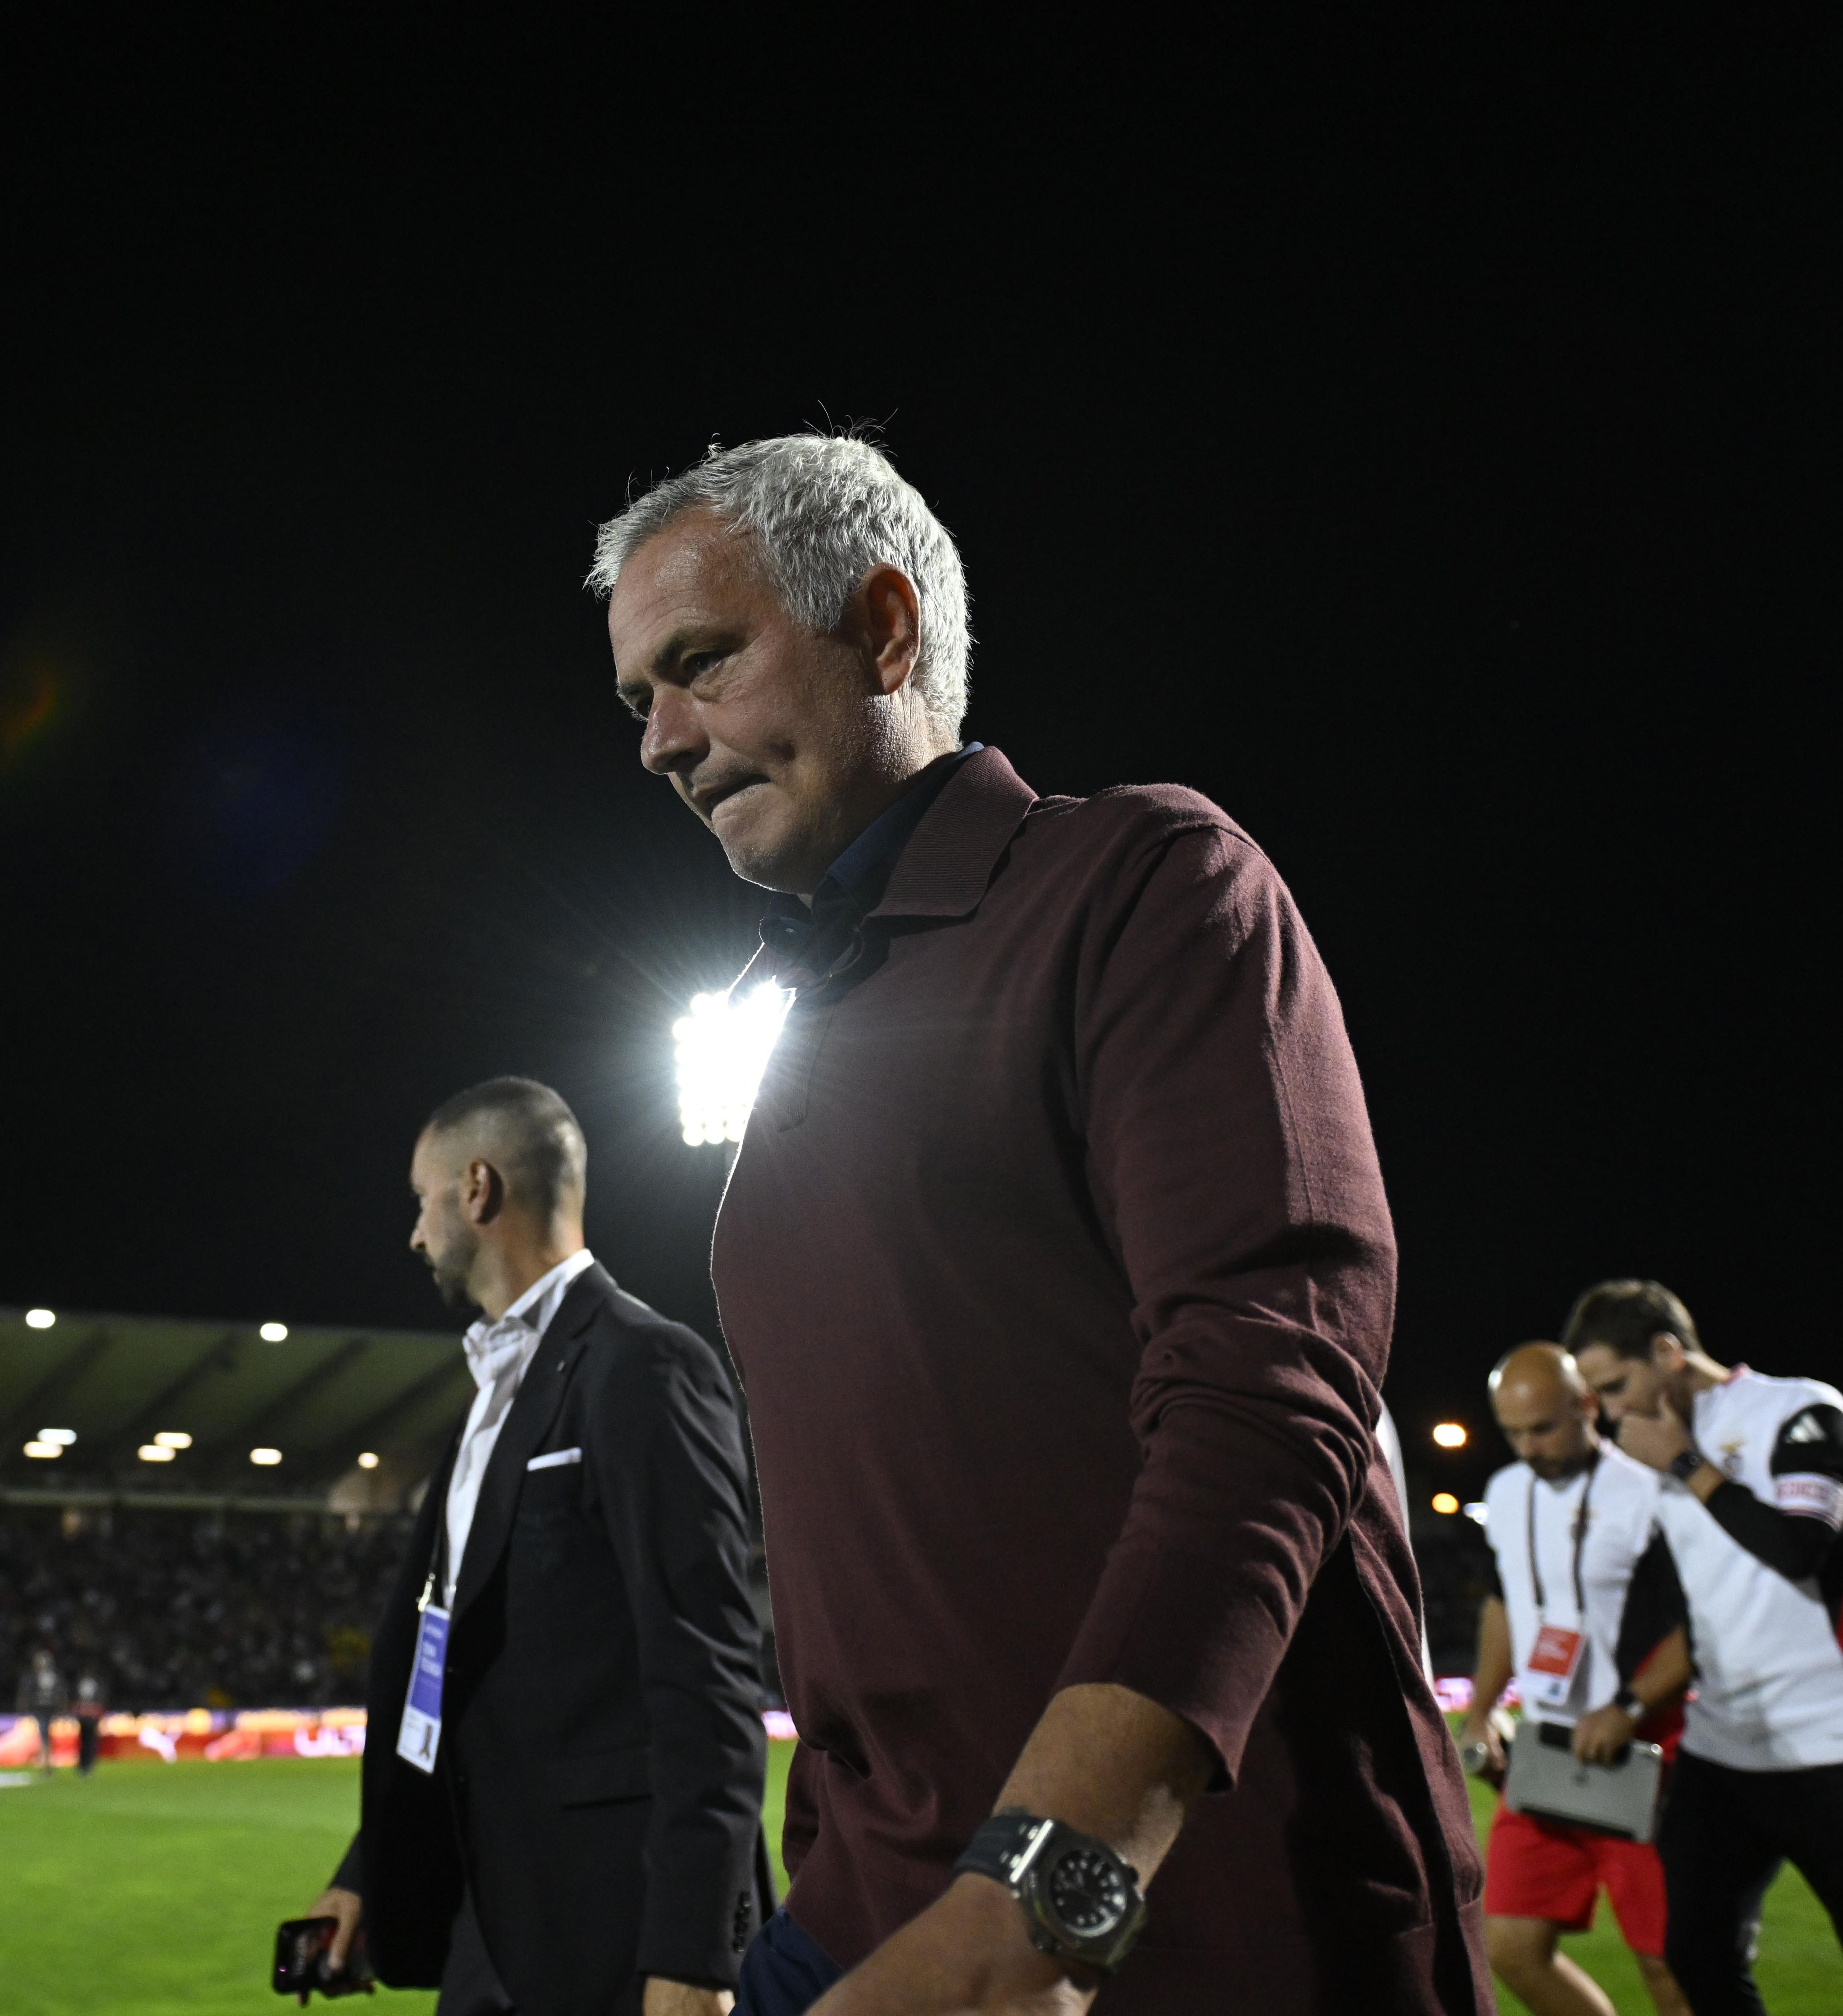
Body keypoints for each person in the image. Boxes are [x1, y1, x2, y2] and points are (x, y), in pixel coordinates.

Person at [589, 432, 1485, 2016]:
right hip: (850, 1922)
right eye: (634, 699)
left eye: (700, 661)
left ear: (883, 627)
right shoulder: (806, 1022)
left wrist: (1037, 1904)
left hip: (1174, 1934)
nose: (658, 739)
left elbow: (1265, 1392)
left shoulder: (1141, 881)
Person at [298, 1077, 771, 2016]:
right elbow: (455, 1670)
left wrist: (694, 1947)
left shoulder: (645, 1364)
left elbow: (707, 1671)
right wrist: (368, 1873)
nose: (415, 1234)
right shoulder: (491, 1397)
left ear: (476, 1188)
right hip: (491, 1921)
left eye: (421, 1199)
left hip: (618, 1930)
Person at [1563, 1280, 1843, 2016]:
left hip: (1836, 1735)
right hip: (1724, 1745)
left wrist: (1685, 1464)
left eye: (1615, 1386)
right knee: (1694, 1959)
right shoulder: (1648, 1452)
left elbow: (1800, 1550)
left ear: (1668, 1353)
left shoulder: (1798, 1409)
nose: (1610, 1412)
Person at [1463, 1344, 1693, 2016]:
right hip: (1545, 1751)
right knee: (1508, 1945)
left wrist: (1627, 1707)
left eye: (1542, 1428)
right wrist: (1480, 1710)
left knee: (1669, 1963)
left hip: (1644, 1751)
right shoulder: (1505, 1492)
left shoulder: (1649, 1492)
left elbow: (1698, 1625)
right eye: (1513, 1432)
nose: (1528, 1447)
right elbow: (1504, 1605)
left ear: (1587, 1406)